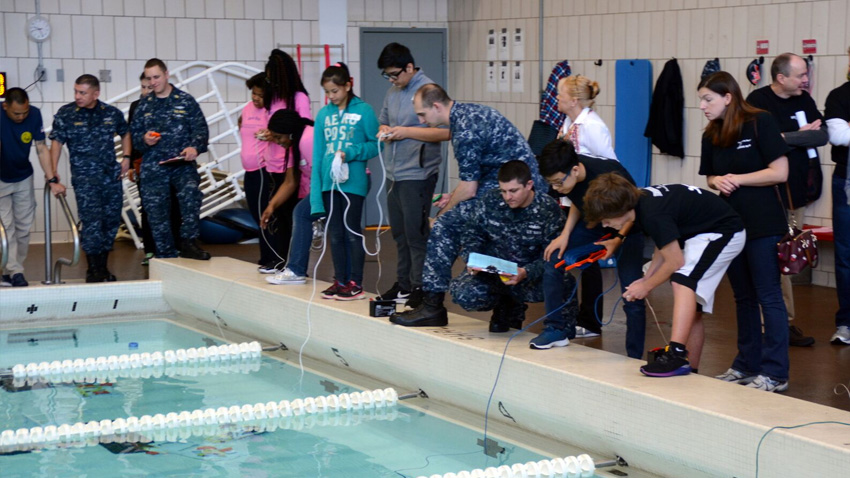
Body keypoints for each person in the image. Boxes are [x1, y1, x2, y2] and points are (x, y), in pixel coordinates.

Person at [390, 83, 546, 327]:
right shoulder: (469, 113)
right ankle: (508, 306)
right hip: (512, 184)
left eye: (422, 114)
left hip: (516, 189)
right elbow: (474, 180)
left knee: (444, 226)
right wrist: (452, 197)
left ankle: (432, 305)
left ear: (437, 106)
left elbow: (469, 188)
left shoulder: (464, 130)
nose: (420, 120)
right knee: (462, 219)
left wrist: (442, 212)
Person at [583, 174, 746, 378]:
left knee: (682, 280)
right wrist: (646, 278)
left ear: (620, 210)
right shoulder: (642, 204)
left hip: (723, 232)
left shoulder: (652, 213)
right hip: (701, 233)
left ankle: (676, 353)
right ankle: (690, 369)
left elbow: (675, 261)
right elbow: (664, 247)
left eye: (606, 220)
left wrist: (647, 286)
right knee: (691, 305)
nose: (605, 225)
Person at [698, 71, 791, 392]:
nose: (702, 106)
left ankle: (776, 372)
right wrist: (717, 181)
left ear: (728, 97)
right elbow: (710, 177)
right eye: (700, 99)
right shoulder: (711, 133)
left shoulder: (760, 122)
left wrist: (737, 177)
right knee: (743, 297)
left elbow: (780, 172)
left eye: (708, 99)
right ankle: (746, 365)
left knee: (768, 295)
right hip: (731, 224)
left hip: (763, 223)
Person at [532, 140, 646, 358]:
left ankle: (634, 356)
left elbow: (634, 211)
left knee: (632, 294)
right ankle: (556, 329)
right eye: (551, 184)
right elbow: (579, 199)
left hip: (629, 227)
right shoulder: (571, 177)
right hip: (596, 220)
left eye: (557, 183)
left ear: (574, 170)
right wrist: (565, 235)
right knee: (554, 259)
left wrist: (618, 239)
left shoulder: (609, 173)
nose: (555, 189)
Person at [746, 52, 825, 347]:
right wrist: (796, 135)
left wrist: (783, 137)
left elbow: (821, 136)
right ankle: (773, 322)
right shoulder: (758, 101)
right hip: (768, 192)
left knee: (788, 256)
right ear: (781, 78)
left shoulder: (804, 99)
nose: (806, 80)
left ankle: (782, 321)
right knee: (770, 257)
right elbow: (757, 141)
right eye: (801, 75)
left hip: (798, 190)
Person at [450, 160, 576, 332]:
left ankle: (562, 329)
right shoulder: (490, 200)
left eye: (513, 191)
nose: (508, 197)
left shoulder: (548, 209)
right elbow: (472, 234)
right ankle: (507, 307)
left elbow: (554, 256)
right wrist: (472, 259)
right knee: (465, 293)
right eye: (503, 191)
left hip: (529, 276)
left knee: (564, 281)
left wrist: (526, 272)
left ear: (529, 185)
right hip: (494, 274)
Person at [375, 43, 450, 309]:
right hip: (395, 172)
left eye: (395, 74)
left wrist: (406, 132)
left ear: (410, 67)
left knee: (416, 234)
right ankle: (404, 284)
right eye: (388, 76)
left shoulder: (428, 90)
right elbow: (383, 119)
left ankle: (421, 286)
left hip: (418, 173)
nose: (392, 80)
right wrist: (385, 128)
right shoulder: (393, 91)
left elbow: (444, 132)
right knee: (399, 233)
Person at [49, 75, 131, 283]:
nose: (77, 96)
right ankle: (93, 269)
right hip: (85, 179)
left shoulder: (110, 113)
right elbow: (56, 143)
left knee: (110, 222)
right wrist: (52, 173)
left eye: (82, 93)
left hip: (110, 178)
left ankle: (103, 267)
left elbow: (125, 132)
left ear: (96, 94)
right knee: (92, 223)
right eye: (76, 91)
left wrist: (127, 157)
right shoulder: (66, 114)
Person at [310, 62, 379, 300]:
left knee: (351, 231)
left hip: (353, 182)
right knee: (336, 234)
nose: (331, 96)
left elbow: (375, 144)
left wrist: (351, 152)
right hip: (330, 182)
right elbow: (318, 154)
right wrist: (315, 195)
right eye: (327, 92)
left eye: (335, 91)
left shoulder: (364, 111)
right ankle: (340, 280)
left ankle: (355, 282)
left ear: (348, 86)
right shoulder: (323, 115)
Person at [130, 58, 210, 261]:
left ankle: (189, 243)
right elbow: (134, 138)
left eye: (156, 77)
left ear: (167, 75)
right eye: (149, 78)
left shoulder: (185, 100)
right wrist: (144, 140)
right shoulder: (143, 105)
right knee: (156, 211)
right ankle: (164, 252)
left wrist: (195, 146)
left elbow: (201, 130)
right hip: (154, 166)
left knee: (191, 198)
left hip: (181, 164)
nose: (153, 82)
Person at [555, 74, 616, 336]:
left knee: (587, 260)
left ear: (574, 100)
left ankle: (591, 320)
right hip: (570, 199)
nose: (556, 98)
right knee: (569, 255)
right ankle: (575, 315)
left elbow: (611, 166)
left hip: (590, 203)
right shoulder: (569, 122)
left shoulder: (593, 126)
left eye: (560, 94)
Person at [0, 87, 53, 287]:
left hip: (23, 176)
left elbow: (41, 148)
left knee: (23, 228)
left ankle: (10, 270)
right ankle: (15, 271)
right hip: (1, 177)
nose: (21, 117)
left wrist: (52, 178)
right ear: (5, 107)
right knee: (6, 228)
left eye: (25, 112)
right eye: (16, 113)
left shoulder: (35, 115)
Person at [127, 73, 180, 266]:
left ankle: (175, 248)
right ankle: (150, 250)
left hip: (170, 165)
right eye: (143, 87)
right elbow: (133, 137)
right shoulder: (136, 107)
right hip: (145, 164)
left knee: (172, 205)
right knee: (148, 208)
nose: (146, 91)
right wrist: (133, 163)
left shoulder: (172, 104)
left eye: (149, 87)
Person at [240, 73, 290, 273]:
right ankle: (265, 257)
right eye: (253, 94)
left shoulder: (271, 112)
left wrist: (269, 135)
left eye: (260, 95)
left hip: (264, 170)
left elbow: (279, 134)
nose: (255, 98)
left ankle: (274, 258)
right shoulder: (247, 109)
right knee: (255, 214)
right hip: (249, 170)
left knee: (266, 214)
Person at [262, 109, 315, 285]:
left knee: (301, 213)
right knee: (300, 212)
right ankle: (296, 269)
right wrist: (271, 206)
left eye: (278, 137)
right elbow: (290, 182)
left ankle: (297, 270)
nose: (277, 142)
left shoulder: (308, 139)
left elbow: (323, 173)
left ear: (290, 133)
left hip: (340, 185)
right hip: (322, 186)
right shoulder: (294, 144)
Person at [823, 46, 850, 346]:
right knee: (845, 256)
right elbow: (840, 136)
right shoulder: (840, 95)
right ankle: (846, 323)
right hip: (846, 181)